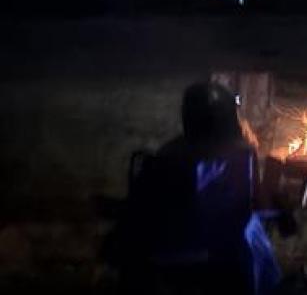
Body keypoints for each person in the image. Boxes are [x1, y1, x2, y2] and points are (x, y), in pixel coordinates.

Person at [107, 82, 281, 295]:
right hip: (228, 258)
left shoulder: (166, 155)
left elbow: (142, 207)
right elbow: (257, 203)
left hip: (172, 255)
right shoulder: (244, 154)